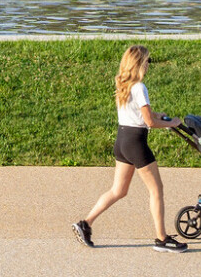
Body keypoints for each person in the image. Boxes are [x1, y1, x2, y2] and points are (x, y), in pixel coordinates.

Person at [74, 45, 188, 252]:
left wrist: (158, 115)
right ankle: (162, 239)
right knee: (156, 190)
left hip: (122, 140)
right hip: (136, 143)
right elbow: (148, 123)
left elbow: (140, 115)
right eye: (147, 61)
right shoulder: (139, 87)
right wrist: (173, 123)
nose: (148, 65)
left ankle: (85, 223)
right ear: (139, 63)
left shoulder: (124, 84)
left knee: (118, 190)